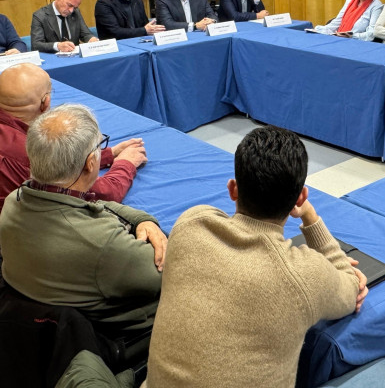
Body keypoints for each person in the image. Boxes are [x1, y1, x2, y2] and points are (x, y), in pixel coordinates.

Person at [146, 126, 369, 388]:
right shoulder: (303, 275)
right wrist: (309, 216)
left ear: (233, 189)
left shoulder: (190, 225)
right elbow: (351, 286)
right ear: (301, 197)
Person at [0, 104, 163, 337]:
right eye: (99, 146)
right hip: (119, 335)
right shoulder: (103, 244)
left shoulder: (13, 200)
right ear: (90, 163)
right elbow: (164, 274)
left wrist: (143, 220)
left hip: (40, 324)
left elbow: (95, 203)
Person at [0, 63, 146, 223]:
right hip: (22, 231)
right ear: (46, 103)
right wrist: (126, 163)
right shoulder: (32, 151)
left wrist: (107, 154)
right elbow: (102, 193)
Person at [312, 0, 384, 41]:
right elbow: (337, 22)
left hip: (357, 42)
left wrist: (352, 36)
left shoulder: (376, 6)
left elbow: (371, 34)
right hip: (340, 38)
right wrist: (319, 29)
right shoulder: (349, 1)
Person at [30, 0, 99, 52]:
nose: (71, 10)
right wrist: (58, 46)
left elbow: (85, 34)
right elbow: (36, 45)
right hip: (53, 58)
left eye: (75, 7)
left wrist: (92, 39)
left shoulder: (75, 12)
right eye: (69, 5)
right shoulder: (40, 16)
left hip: (74, 57)